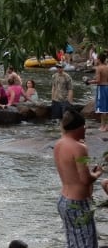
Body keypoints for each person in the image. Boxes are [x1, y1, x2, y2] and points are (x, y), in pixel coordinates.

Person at [54, 107, 103, 248]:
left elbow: (73, 172)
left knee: (73, 242)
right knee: (87, 244)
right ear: (77, 128)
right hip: (78, 204)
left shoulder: (59, 144)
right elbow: (86, 180)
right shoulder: (79, 148)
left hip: (64, 201)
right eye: (84, 126)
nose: (86, 128)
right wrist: (98, 173)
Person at [95, 52, 108, 132]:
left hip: (102, 88)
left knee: (102, 108)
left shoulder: (99, 68)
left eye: (97, 58)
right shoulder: (107, 67)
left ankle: (103, 126)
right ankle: (107, 125)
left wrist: (89, 82)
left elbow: (98, 80)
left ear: (99, 59)